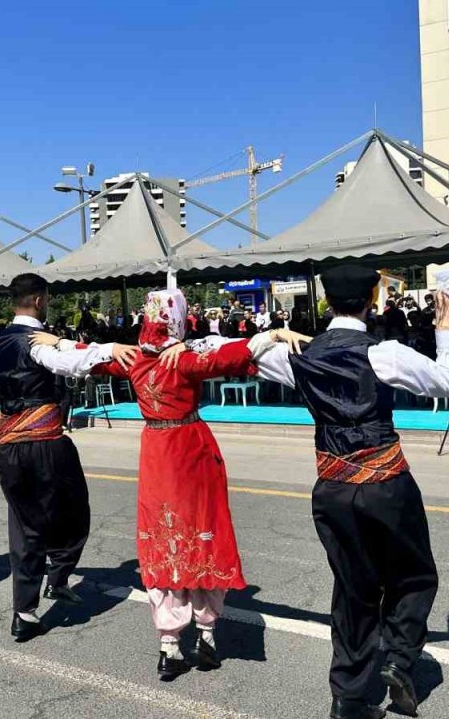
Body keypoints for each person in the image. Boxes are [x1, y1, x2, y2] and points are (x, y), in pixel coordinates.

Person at [46, 289, 305, 681]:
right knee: (204, 532)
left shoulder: (130, 356)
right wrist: (276, 334)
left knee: (163, 536)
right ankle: (206, 636)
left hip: (156, 451)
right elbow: (237, 353)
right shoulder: (182, 357)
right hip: (192, 447)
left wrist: (60, 341)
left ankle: (168, 645)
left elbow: (83, 358)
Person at [249, 265, 449, 719]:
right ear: (373, 298)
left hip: (331, 488)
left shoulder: (299, 355)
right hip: (386, 483)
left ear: (327, 302)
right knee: (414, 576)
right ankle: (401, 662)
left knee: (353, 590)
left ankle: (349, 698)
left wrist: (275, 333)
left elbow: (251, 354)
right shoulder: (382, 352)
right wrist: (445, 327)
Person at [0, 273, 136, 642]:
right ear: (41, 301)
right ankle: (58, 578)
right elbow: (70, 364)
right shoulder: (36, 341)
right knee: (73, 514)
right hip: (46, 442)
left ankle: (24, 612)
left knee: (24, 526)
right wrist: (107, 349)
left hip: (9, 446)